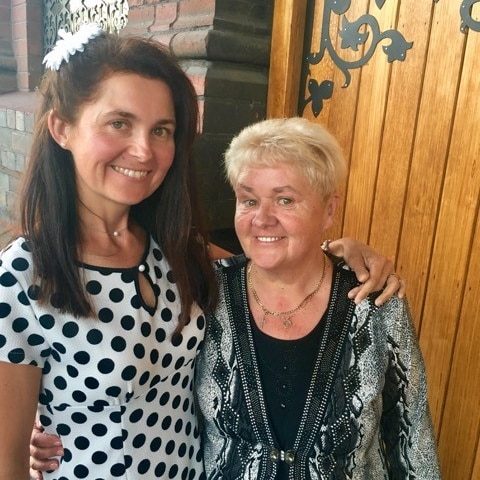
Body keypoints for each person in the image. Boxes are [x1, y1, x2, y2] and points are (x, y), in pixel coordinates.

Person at [5, 25, 403, 480]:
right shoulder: (22, 274)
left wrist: (341, 250)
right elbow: (7, 460)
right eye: (119, 123)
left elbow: (267, 258)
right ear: (61, 127)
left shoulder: (173, 247)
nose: (143, 150)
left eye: (162, 130)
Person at [195, 117, 441, 478]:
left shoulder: (375, 303)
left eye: (284, 199)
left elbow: (412, 440)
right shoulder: (205, 291)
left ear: (329, 209)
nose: (261, 219)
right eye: (248, 200)